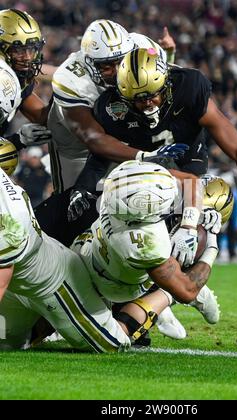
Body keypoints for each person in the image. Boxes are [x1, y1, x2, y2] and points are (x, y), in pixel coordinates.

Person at [79, 47, 237, 266]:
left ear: (166, 85)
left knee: (217, 199)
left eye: (152, 95)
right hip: (146, 176)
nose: (147, 104)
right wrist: (83, 186)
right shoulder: (111, 107)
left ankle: (202, 250)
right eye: (139, 100)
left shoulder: (189, 89)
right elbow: (100, 151)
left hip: (188, 166)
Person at [0, 138, 178, 352]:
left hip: (54, 283)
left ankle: (165, 294)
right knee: (7, 343)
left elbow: (3, 276)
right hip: (20, 283)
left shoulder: (8, 216)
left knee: (113, 344)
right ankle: (45, 323)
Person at [71, 160, 222, 340]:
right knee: (113, 338)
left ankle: (163, 292)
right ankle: (166, 295)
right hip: (116, 286)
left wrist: (189, 223)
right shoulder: (143, 245)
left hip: (84, 251)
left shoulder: (118, 189)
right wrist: (212, 242)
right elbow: (187, 291)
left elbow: (190, 181)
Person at [48, 19, 177, 194]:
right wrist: (143, 156)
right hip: (77, 145)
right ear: (90, 62)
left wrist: (168, 59)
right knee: (73, 201)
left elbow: (162, 85)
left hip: (125, 128)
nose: (118, 71)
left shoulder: (144, 46)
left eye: (122, 60)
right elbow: (94, 139)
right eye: (107, 65)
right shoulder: (70, 78)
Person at [0, 9, 51, 146]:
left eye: (32, 49)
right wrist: (17, 141)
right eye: (19, 50)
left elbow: (43, 119)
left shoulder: (17, 78)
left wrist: (63, 93)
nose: (28, 57)